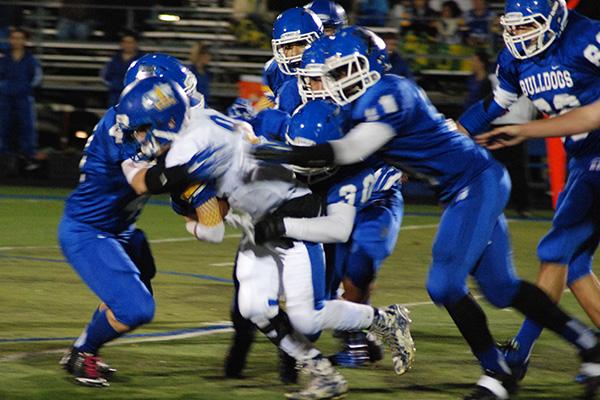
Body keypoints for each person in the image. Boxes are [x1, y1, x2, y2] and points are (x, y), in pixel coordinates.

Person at [252, 25, 600, 400]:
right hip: (461, 188)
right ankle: (589, 347)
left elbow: (350, 150)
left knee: (444, 284)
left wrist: (283, 154)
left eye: (338, 73)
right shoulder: (352, 103)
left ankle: (496, 372)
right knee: (501, 289)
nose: (330, 84)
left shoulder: (391, 91)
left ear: (368, 65)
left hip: (475, 181)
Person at [162, 95, 414, 400]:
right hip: (263, 218)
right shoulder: (235, 134)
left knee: (307, 317)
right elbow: (225, 188)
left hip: (294, 212)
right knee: (253, 306)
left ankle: (384, 320)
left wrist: (197, 220)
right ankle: (322, 372)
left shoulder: (345, 174)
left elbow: (337, 228)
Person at [459, 0, 600, 384]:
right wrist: (452, 132)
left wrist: (524, 131)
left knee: (555, 252)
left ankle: (518, 357)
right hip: (582, 157)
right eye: (514, 27)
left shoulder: (587, 36)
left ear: (553, 17)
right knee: (572, 263)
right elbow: (494, 105)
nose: (519, 35)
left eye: (528, 26)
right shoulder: (515, 58)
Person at [58, 77, 198, 387]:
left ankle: (81, 351)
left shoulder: (139, 122)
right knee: (135, 307)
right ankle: (84, 352)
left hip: (118, 229)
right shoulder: (121, 137)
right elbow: (142, 182)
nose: (139, 135)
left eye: (145, 128)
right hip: (88, 230)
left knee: (140, 279)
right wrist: (193, 168)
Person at [0, 27, 42, 171]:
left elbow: (37, 78)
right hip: (4, 98)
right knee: (2, 126)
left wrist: (27, 88)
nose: (16, 41)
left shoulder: (30, 60)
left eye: (20, 38)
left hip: (23, 98)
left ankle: (27, 158)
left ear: (24, 40)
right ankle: (4, 157)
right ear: (10, 40)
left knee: (26, 128)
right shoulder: (3, 58)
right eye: (14, 38)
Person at [100, 31, 142, 107]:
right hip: (116, 94)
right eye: (125, 42)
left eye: (130, 42)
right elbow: (106, 75)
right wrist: (113, 84)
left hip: (135, 95)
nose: (128, 45)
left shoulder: (142, 60)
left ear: (136, 44)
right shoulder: (114, 60)